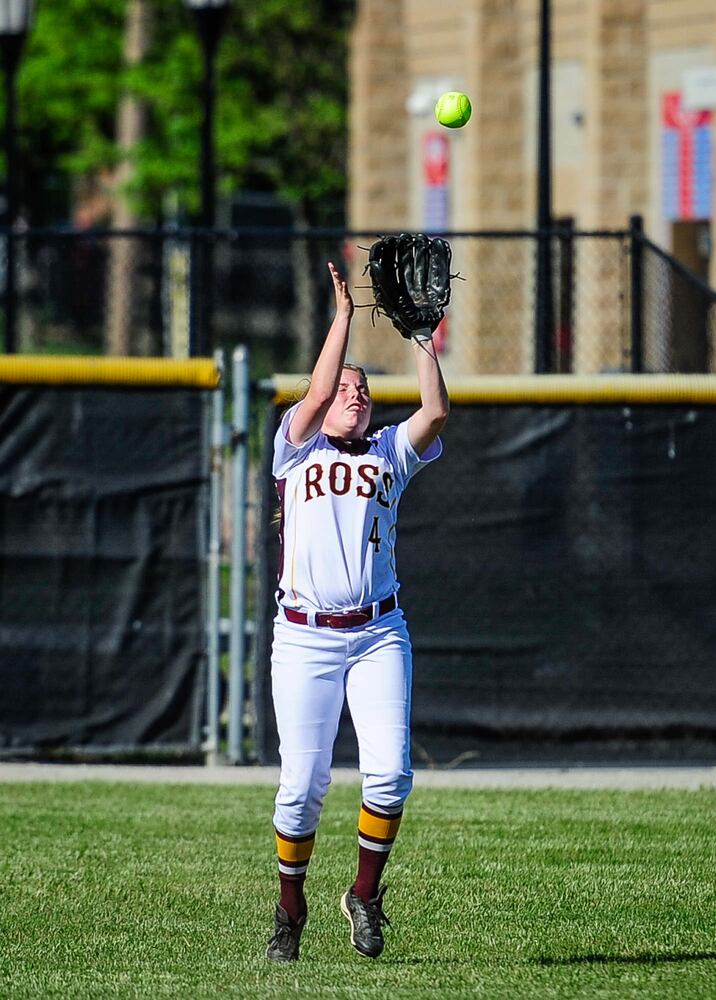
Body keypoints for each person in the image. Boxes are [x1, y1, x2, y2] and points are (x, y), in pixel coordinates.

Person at [266, 261, 449, 962]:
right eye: (346, 386)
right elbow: (315, 390)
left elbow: (432, 413)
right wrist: (343, 318)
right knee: (301, 789)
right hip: (306, 637)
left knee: (390, 775)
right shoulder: (296, 447)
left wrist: (421, 339)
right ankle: (289, 907)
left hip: (377, 632)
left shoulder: (387, 454)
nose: (353, 392)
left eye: (363, 388)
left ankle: (365, 895)